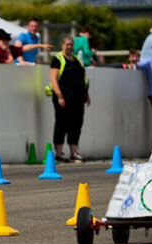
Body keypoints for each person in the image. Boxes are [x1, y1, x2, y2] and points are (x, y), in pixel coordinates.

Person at [49, 35, 91, 163]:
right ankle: (59, 152)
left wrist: (86, 95)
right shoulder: (58, 59)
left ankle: (74, 152)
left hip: (78, 99)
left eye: (71, 45)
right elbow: (53, 79)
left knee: (76, 125)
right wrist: (60, 96)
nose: (69, 47)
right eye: (67, 44)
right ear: (62, 45)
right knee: (61, 124)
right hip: (63, 98)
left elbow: (82, 79)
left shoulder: (77, 59)